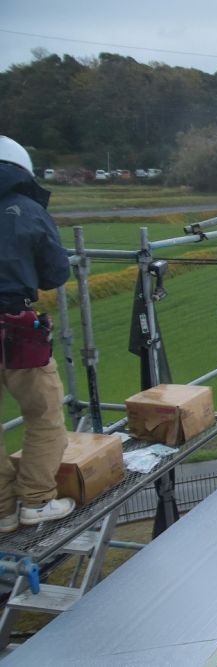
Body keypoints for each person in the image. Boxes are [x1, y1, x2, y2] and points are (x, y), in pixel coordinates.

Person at [0, 136, 75, 533]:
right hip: (13, 326)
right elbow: (55, 272)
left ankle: (1, 511)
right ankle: (34, 501)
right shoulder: (26, 210)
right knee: (44, 413)